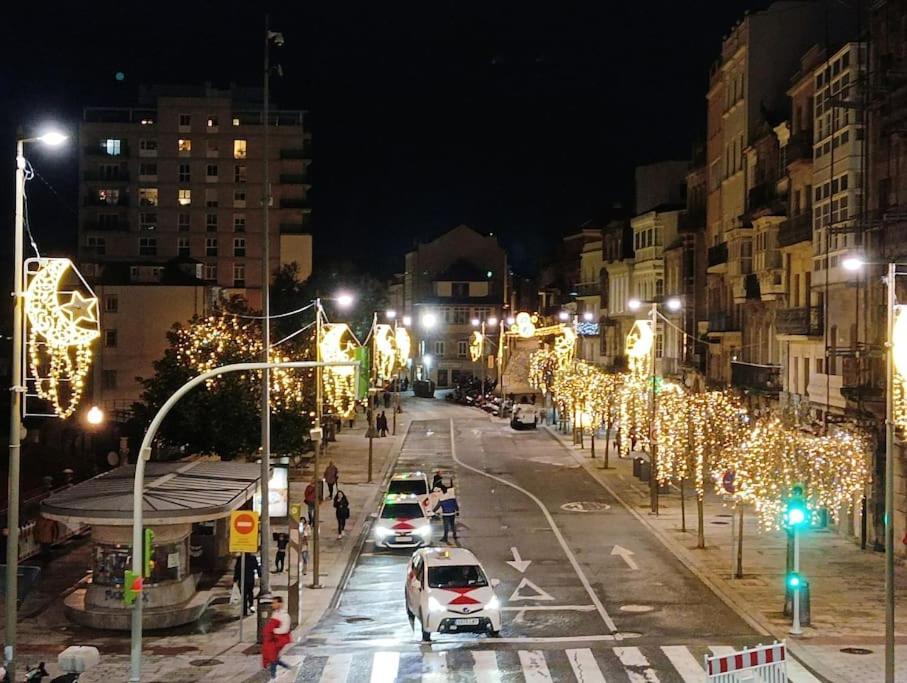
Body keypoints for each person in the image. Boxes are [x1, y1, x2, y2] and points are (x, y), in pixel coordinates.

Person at [262, 595, 292, 679]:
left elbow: (285, 629)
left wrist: (273, 631)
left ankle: (273, 675)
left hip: (280, 639)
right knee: (273, 656)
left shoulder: (285, 616)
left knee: (273, 655)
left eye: (274, 603)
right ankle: (286, 667)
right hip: (273, 639)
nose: (272, 605)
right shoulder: (275, 613)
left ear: (280, 604)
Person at [233, 552, 260, 616]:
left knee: (243, 595)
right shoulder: (253, 558)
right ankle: (251, 606)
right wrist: (260, 574)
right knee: (250, 592)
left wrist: (235, 579)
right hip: (250, 579)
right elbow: (257, 567)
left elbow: (237, 569)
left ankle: (244, 611)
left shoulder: (240, 559)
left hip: (242, 580)